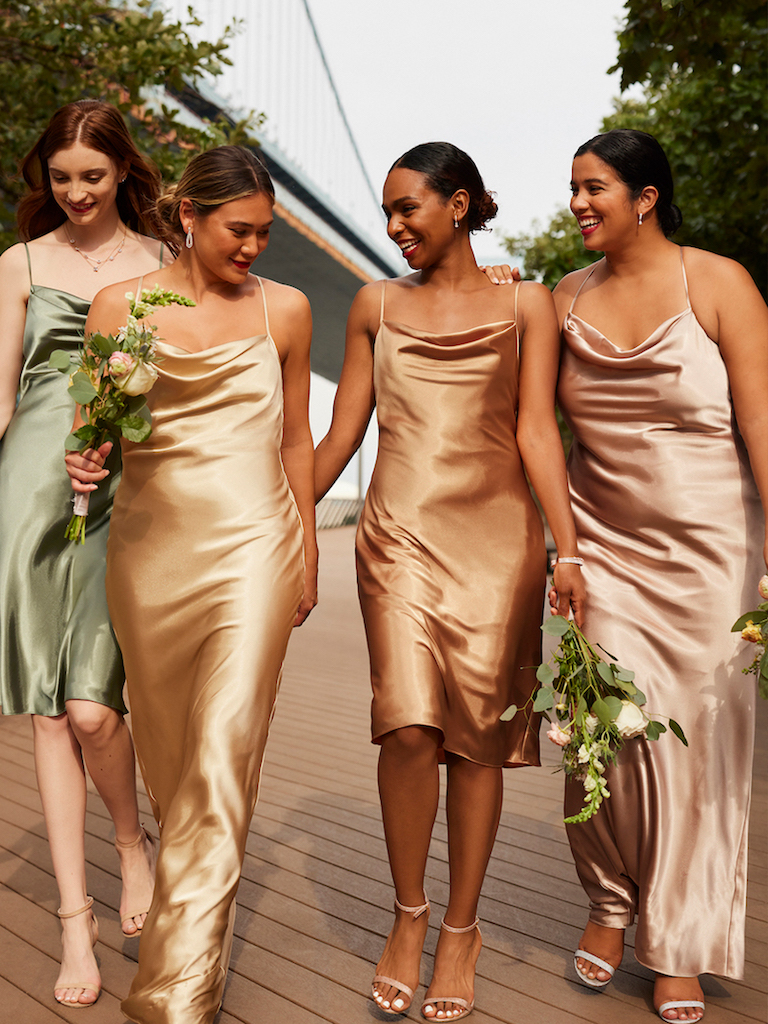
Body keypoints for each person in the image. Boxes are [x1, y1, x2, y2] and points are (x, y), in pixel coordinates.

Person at [486, 129, 766, 1022]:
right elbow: (535, 427)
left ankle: (678, 938)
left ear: (645, 197)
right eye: (572, 187)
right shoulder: (561, 299)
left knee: (699, 741)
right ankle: (611, 903)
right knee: (601, 729)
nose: (576, 203)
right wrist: (562, 549)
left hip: (715, 549)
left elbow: (763, 425)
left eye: (593, 187)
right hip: (599, 543)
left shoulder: (719, 283)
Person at [314, 142, 585, 1021]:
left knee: (477, 742)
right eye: (388, 212)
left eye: (408, 210)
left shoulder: (527, 303)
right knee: (406, 728)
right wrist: (274, 520)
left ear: (459, 205)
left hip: (500, 540)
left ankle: (460, 931)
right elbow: (342, 434)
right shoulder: (373, 303)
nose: (394, 229)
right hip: (396, 538)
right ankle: (408, 917)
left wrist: (568, 552)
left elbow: (538, 431)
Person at [66, 144, 317, 1024]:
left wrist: (307, 551)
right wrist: (82, 457)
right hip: (151, 558)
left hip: (256, 546)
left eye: (264, 232)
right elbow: (95, 429)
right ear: (188, 218)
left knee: (222, 758)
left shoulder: (286, 310)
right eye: (238, 231)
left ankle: (175, 997)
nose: (254, 247)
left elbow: (295, 443)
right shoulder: (117, 310)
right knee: (176, 772)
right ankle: (187, 906)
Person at [0, 99, 165, 1008]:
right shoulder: (18, 264)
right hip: (29, 492)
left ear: (121, 172)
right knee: (47, 713)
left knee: (95, 709)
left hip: (124, 489)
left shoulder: (161, 265)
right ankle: (75, 922)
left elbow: (177, 396)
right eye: (59, 179)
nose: (73, 194)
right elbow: (0, 402)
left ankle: (130, 844)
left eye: (91, 177)